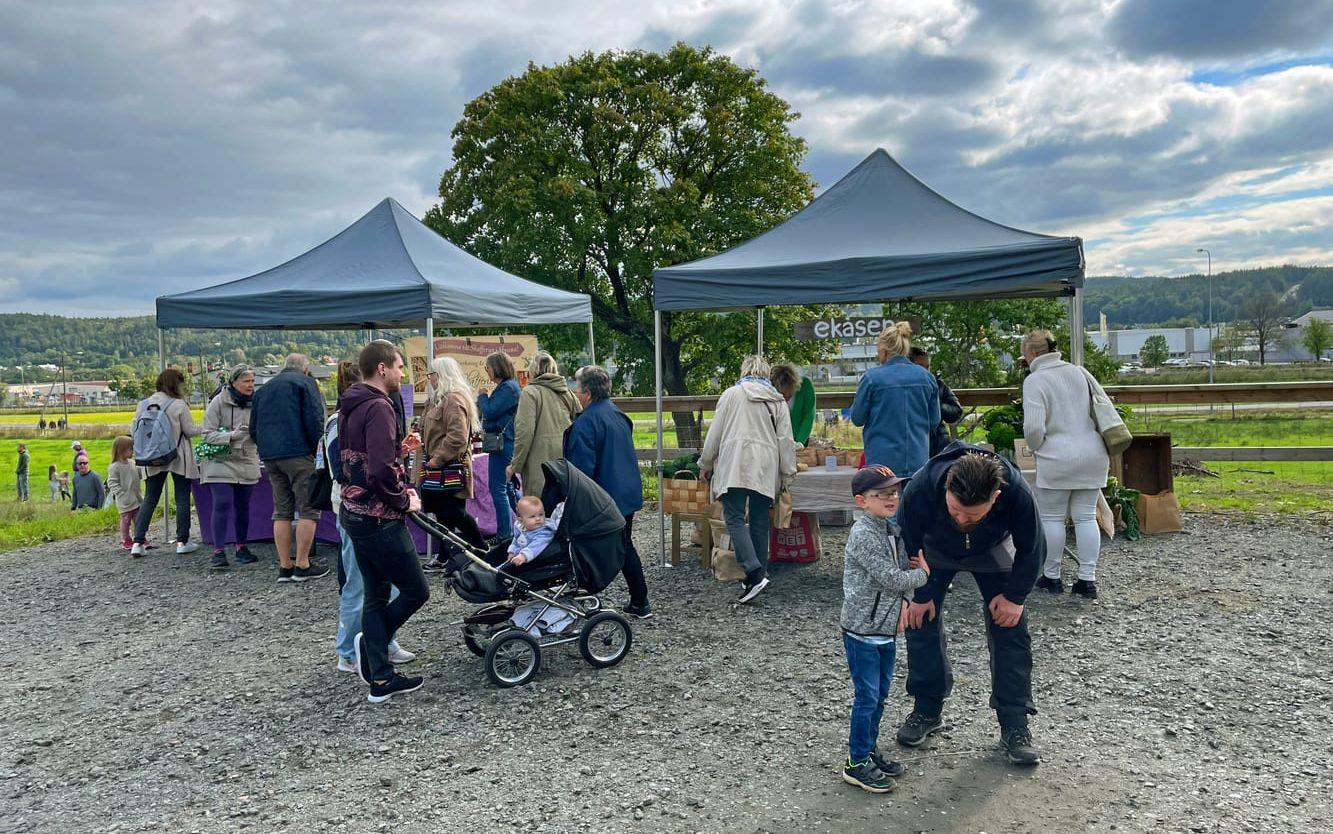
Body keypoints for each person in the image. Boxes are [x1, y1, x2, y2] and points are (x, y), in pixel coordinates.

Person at [897, 446, 1044, 766]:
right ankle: (926, 708)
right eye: (955, 510)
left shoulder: (1017, 492)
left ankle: (1015, 724)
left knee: (1010, 627)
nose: (962, 518)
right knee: (919, 621)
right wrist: (919, 596)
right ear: (947, 488)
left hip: (993, 546)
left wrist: (1015, 598)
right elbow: (906, 542)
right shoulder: (921, 488)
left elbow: (1032, 548)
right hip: (934, 549)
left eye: (972, 514)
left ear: (996, 496)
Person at [340, 341, 429, 703]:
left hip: (355, 512)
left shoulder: (350, 402)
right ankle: (373, 645)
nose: (402, 373)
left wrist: (397, 450)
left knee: (375, 593)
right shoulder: (379, 407)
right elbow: (377, 471)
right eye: (399, 366)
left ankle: (380, 677)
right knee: (415, 590)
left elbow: (359, 458)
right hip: (380, 516)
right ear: (382, 368)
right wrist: (404, 499)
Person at [840, 465, 929, 793]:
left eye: (895, 492)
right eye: (883, 494)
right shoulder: (863, 534)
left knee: (879, 696)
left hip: (886, 628)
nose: (892, 498)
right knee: (867, 697)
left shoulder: (890, 529)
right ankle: (855, 761)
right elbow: (894, 577)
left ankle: (868, 747)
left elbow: (902, 567)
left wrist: (907, 595)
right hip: (862, 630)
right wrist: (923, 577)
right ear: (862, 501)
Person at [325, 360, 413, 675]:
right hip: (361, 508)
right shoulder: (345, 418)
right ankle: (349, 650)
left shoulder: (356, 413)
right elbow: (345, 468)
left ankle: (383, 642)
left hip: (367, 506)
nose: (402, 374)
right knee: (358, 583)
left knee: (379, 584)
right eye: (399, 367)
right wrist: (398, 494)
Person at [698, 355, 797, 604]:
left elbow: (715, 433)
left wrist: (705, 463)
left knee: (733, 517)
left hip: (735, 463)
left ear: (745, 370)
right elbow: (785, 441)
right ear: (766, 374)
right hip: (766, 466)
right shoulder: (777, 401)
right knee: (759, 520)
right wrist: (787, 473)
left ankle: (753, 571)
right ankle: (759, 574)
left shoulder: (731, 394)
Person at [1020, 329, 1110, 599]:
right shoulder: (1078, 372)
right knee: (1085, 516)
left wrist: (1036, 448)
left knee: (1052, 518)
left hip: (1057, 455)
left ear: (1033, 353)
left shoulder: (1035, 380)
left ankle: (1052, 576)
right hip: (1092, 453)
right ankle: (1087, 579)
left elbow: (1034, 428)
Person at [565, 365, 653, 618]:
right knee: (624, 546)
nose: (575, 391)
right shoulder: (618, 414)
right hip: (626, 492)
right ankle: (639, 600)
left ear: (588, 392)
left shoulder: (586, 423)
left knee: (589, 549)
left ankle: (582, 601)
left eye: (578, 387)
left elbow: (580, 472)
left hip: (604, 497)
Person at [249, 353, 329, 582]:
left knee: (282, 510)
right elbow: (315, 420)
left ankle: (285, 565)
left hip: (271, 456)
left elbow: (253, 428)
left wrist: (265, 449)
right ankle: (302, 564)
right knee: (308, 508)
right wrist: (318, 452)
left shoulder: (263, 389)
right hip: (299, 453)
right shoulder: (305, 383)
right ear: (304, 369)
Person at [416, 356, 486, 566]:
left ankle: (481, 548)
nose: (430, 379)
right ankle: (446, 556)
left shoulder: (453, 400)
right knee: (441, 513)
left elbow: (457, 437)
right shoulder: (437, 400)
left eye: (432, 374)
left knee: (453, 512)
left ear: (442, 375)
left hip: (449, 465)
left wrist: (436, 460)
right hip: (438, 465)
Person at [851, 322, 940, 474]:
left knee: (884, 498)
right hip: (918, 458)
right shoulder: (927, 377)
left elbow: (857, 418)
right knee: (914, 497)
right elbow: (934, 421)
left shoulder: (871, 378)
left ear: (883, 350)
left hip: (881, 461)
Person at [131, 369, 202, 556]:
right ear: (174, 384)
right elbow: (190, 430)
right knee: (182, 498)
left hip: (150, 456)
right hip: (178, 456)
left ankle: (137, 543)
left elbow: (134, 430)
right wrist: (207, 428)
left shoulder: (142, 404)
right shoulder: (178, 404)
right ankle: (182, 541)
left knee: (150, 498)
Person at [200, 365, 261, 571]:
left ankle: (241, 547)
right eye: (246, 381)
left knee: (243, 505)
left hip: (246, 458)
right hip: (220, 459)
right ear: (234, 382)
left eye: (252, 381)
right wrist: (231, 436)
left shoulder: (257, 403)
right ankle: (218, 551)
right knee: (223, 502)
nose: (250, 385)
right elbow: (206, 433)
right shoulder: (218, 402)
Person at [507, 351, 580, 498]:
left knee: (539, 512)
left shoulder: (530, 393)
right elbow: (581, 423)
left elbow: (524, 432)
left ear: (533, 370)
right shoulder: (568, 393)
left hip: (538, 464)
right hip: (565, 463)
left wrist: (515, 465)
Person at [476, 351, 521, 540]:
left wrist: (482, 397)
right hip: (505, 442)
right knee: (507, 487)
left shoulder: (507, 388)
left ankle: (505, 534)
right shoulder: (509, 387)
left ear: (496, 368)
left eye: (488, 367)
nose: (487, 371)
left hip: (503, 443)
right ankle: (522, 523)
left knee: (497, 488)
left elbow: (490, 411)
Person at [909, 347, 964, 457]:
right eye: (920, 367)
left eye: (927, 367)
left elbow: (957, 411)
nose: (925, 371)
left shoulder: (938, 385)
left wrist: (936, 405)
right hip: (913, 442)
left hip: (937, 442)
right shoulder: (903, 388)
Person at [107, 436, 144, 551]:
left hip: (136, 497)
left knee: (139, 519)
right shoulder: (115, 467)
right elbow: (111, 482)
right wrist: (120, 493)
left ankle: (140, 538)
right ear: (121, 451)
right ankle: (126, 539)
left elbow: (139, 474)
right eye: (130, 449)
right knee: (126, 520)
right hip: (124, 500)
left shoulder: (132, 463)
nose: (132, 451)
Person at [505, 496, 565, 566]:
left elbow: (537, 546)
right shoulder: (519, 526)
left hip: (535, 559)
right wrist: (512, 551)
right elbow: (516, 539)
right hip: (520, 552)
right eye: (532, 516)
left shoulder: (544, 532)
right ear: (521, 520)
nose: (538, 519)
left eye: (541, 514)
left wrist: (523, 555)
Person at [770, 363, 817, 446]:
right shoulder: (769, 392)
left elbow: (809, 415)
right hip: (776, 440)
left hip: (800, 438)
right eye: (781, 393)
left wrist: (799, 442)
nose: (784, 396)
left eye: (786, 392)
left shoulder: (806, 385)